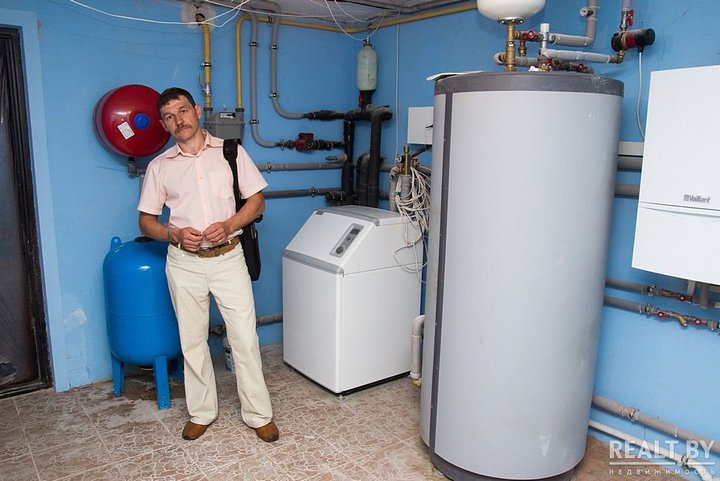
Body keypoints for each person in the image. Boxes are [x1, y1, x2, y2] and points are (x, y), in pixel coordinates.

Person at [137, 87, 278, 443]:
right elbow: (146, 222)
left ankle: (259, 414)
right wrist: (173, 233)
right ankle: (201, 413)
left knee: (244, 337)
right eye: (169, 117)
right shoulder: (159, 167)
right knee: (192, 341)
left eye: (183, 111)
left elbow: (257, 201)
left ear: (197, 111)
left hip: (228, 257)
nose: (178, 120)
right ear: (163, 124)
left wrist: (230, 225)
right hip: (184, 263)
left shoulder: (231, 151)